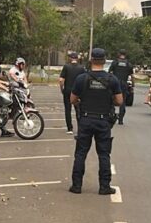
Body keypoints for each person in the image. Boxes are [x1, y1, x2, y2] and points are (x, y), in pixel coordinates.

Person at [69, 47, 123, 195]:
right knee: (104, 154)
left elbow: (72, 99)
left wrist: (81, 102)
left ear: (91, 60)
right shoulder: (112, 79)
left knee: (81, 153)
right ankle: (104, 186)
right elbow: (119, 101)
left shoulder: (81, 79)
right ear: (104, 61)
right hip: (103, 121)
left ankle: (76, 186)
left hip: (86, 119)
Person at [58, 51, 85, 132]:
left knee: (68, 109)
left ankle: (69, 128)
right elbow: (84, 80)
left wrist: (62, 89)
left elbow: (61, 80)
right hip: (78, 91)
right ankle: (80, 128)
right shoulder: (81, 68)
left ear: (70, 58)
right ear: (77, 58)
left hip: (67, 90)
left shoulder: (66, 67)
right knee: (78, 109)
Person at [107, 51, 135, 125]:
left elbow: (109, 73)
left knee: (111, 99)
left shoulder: (115, 62)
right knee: (122, 101)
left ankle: (112, 114)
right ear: (125, 55)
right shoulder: (129, 64)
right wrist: (133, 85)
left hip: (115, 83)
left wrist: (108, 82)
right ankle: (121, 120)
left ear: (119, 54)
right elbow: (132, 76)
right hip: (124, 84)